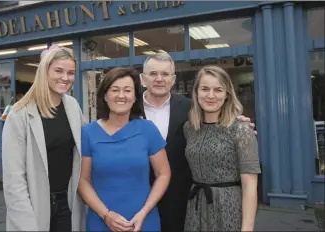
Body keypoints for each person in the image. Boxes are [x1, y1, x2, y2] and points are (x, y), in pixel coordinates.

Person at [140, 52, 255, 231]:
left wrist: (239, 123)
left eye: (165, 74)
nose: (159, 79)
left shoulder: (190, 108)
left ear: (173, 78)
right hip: (138, 198)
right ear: (143, 78)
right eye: (153, 74)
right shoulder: (127, 109)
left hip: (183, 202)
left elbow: (217, 116)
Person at [2, 45, 86, 231]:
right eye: (59, 71)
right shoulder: (19, 114)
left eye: (71, 73)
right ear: (44, 71)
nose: (65, 78)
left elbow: (86, 147)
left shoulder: (72, 106)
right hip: (34, 206)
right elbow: (13, 180)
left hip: (68, 203)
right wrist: (25, 222)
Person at [78, 67, 171, 231]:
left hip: (142, 221)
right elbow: (83, 181)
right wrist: (106, 215)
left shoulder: (148, 129)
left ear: (135, 97)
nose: (121, 96)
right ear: (105, 96)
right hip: (101, 221)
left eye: (127, 90)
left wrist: (144, 212)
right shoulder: (87, 133)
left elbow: (163, 173)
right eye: (115, 90)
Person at [183, 66, 260, 231]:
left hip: (228, 208)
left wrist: (247, 229)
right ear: (196, 93)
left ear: (227, 95)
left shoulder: (241, 130)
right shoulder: (189, 128)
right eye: (205, 89)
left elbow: (250, 186)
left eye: (218, 90)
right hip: (195, 207)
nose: (211, 96)